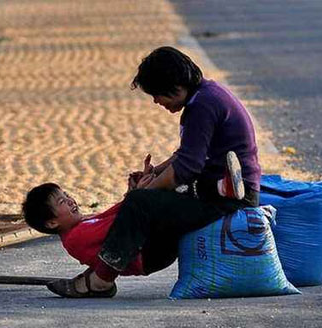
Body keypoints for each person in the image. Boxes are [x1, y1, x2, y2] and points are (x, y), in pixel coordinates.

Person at [32, 46, 262, 298]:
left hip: (226, 198)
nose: (156, 102)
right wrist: (156, 172)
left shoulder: (202, 107)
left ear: (173, 86)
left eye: (157, 95)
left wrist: (145, 191)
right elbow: (185, 154)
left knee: (140, 202)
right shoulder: (206, 96)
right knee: (148, 199)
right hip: (218, 186)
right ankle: (217, 188)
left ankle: (101, 279)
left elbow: (187, 167)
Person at [22, 152, 245, 297]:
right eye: (62, 202)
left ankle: (219, 187)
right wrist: (142, 193)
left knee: (163, 199)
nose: (71, 200)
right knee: (165, 200)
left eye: (67, 195)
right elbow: (122, 224)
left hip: (146, 244)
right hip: (148, 253)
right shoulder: (76, 238)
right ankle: (220, 193)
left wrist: (135, 192)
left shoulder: (85, 222)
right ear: (52, 223)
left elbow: (121, 213)